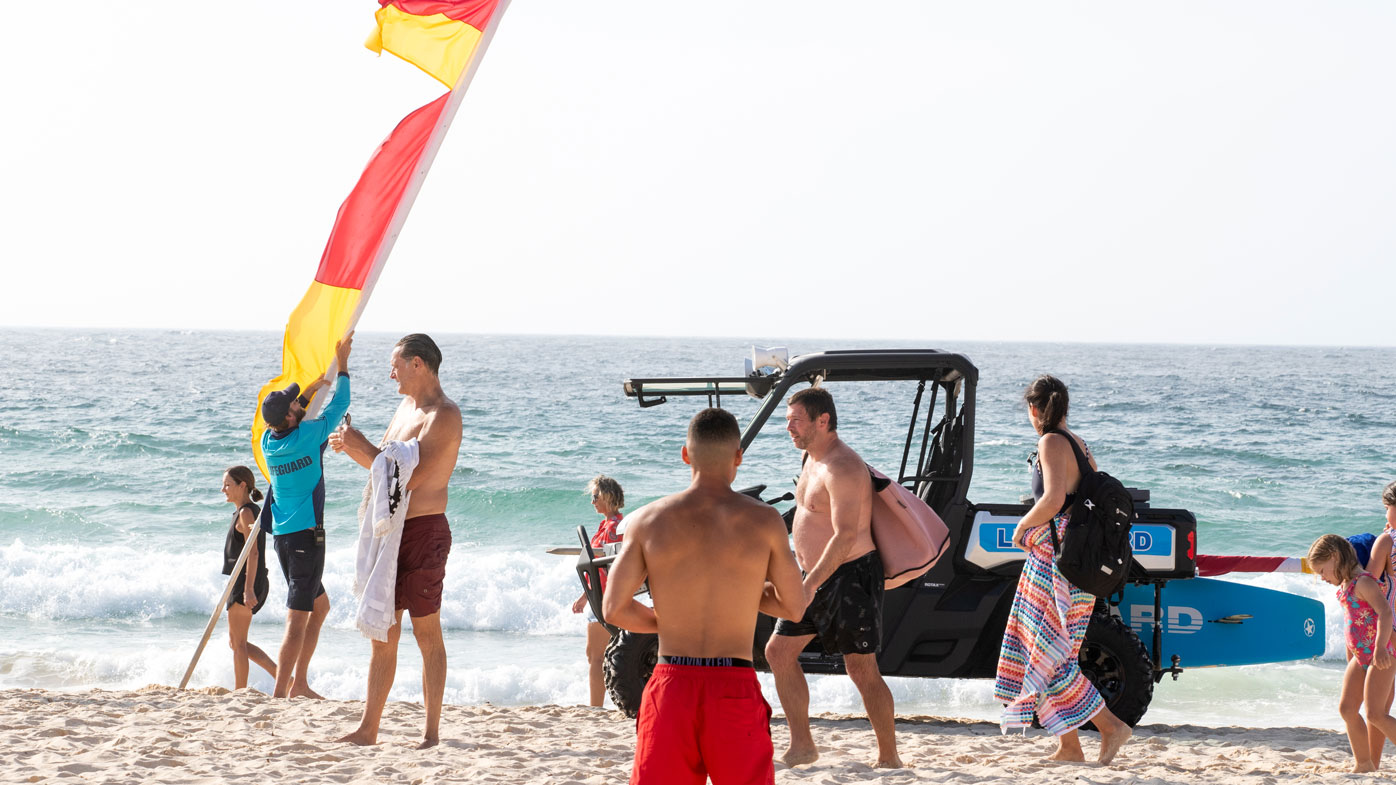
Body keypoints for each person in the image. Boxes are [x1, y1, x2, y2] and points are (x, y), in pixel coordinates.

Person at [603, 407, 806, 785]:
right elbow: (794, 606)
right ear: (738, 458)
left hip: (671, 685)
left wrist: (665, 620)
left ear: (685, 454)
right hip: (734, 685)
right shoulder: (765, 521)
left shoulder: (648, 520)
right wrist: (752, 593)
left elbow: (613, 608)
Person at [329, 333, 463, 749]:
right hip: (392, 532)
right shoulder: (405, 408)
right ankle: (369, 728)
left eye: (396, 366)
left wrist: (361, 447)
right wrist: (351, 446)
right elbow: (382, 471)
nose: (391, 374)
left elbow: (409, 479)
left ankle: (431, 733)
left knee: (427, 634)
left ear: (418, 364)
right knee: (382, 634)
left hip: (424, 532)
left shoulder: (443, 416)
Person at [994, 374, 1131, 764]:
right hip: (1073, 559)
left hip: (1058, 563)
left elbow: (1055, 499)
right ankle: (1069, 747)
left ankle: (1111, 726)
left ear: (1034, 410)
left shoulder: (1050, 441)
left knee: (1050, 656)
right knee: (1050, 654)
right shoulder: (1080, 445)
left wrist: (1022, 526)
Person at [765, 386, 902, 769]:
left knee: (861, 668)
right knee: (778, 652)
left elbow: (844, 535)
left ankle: (889, 758)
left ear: (823, 420)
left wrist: (808, 586)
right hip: (813, 574)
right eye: (787, 419)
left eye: (796, 420)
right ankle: (803, 745)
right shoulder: (813, 459)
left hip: (850, 576)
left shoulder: (843, 467)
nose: (788, 427)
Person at [259, 333, 354, 700]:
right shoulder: (310, 434)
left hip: (283, 537)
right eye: (294, 406)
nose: (299, 407)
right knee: (297, 618)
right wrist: (342, 363)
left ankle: (299, 683)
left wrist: (311, 389)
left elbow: (294, 413)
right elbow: (341, 402)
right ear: (290, 416)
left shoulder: (270, 443)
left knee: (321, 605)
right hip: (305, 540)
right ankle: (281, 694)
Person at [1309, 533, 1396, 773]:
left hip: (1381, 656)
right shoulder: (1347, 585)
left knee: (1375, 714)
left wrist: (1379, 648)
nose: (1322, 577)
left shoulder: (1364, 582)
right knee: (1347, 709)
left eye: (1323, 570)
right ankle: (1364, 764)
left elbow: (1385, 613)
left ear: (1335, 557)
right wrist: (1353, 656)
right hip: (1361, 658)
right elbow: (1354, 622)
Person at [1346, 480, 1396, 766]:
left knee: (1378, 709)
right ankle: (1372, 764)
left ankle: (1371, 764)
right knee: (1382, 708)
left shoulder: (1388, 541)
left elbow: (1370, 581)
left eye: (1387, 507)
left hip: (1391, 628)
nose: (1385, 514)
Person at [570, 474, 625, 707]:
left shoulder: (614, 528)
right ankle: (601, 704)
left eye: (595, 497)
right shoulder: (606, 525)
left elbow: (613, 566)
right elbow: (597, 569)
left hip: (604, 599)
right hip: (598, 597)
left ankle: (596, 707)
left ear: (606, 496)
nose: (592, 502)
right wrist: (584, 597)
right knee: (596, 654)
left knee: (596, 656)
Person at [220, 465, 276, 689]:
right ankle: (282, 676)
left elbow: (253, 552)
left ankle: (240, 690)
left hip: (246, 581)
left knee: (238, 643)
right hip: (246, 580)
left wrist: (249, 588)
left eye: (227, 484)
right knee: (236, 642)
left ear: (242, 485)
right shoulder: (245, 511)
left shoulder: (246, 512)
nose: (223, 489)